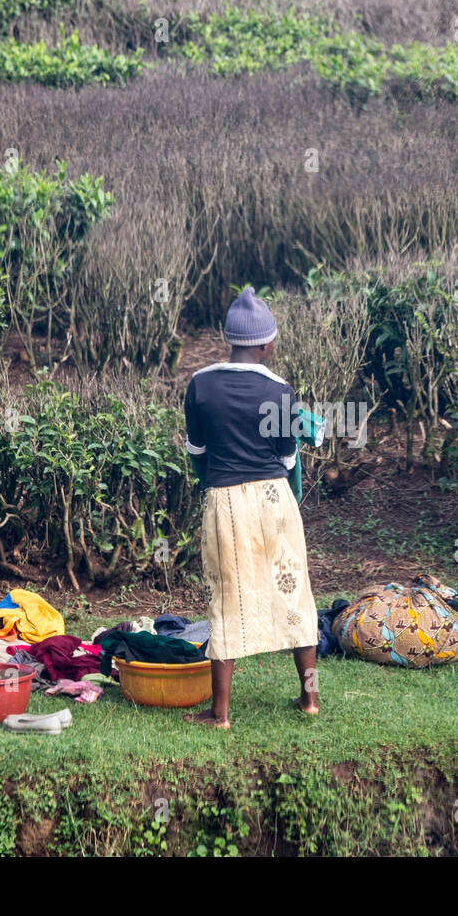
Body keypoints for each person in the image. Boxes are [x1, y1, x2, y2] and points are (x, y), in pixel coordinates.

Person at [182, 286, 320, 727]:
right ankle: (310, 699)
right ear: (266, 343)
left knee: (226, 597)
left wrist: (217, 480)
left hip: (226, 502)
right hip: (275, 499)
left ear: (229, 339)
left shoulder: (200, 385)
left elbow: (197, 450)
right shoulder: (280, 389)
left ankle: (220, 713)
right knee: (295, 593)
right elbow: (286, 456)